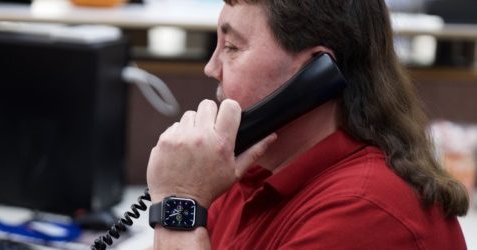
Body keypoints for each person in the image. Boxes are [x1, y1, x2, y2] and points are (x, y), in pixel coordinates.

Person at [146, 0, 469, 249]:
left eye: (231, 47)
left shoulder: (365, 213)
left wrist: (180, 206)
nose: (211, 67)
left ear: (315, 75)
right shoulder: (245, 175)